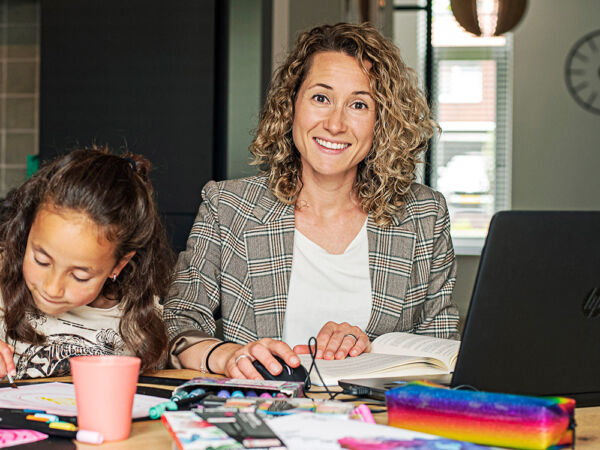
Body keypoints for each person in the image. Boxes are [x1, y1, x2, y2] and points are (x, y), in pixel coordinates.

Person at [164, 22, 459, 379]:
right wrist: (228, 356)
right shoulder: (227, 206)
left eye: (359, 104)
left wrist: (371, 345)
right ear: (291, 106)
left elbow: (444, 351)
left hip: (376, 427)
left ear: (382, 122)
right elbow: (176, 325)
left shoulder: (425, 215)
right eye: (321, 98)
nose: (335, 124)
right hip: (259, 420)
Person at [0, 148, 175, 379]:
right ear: (27, 231)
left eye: (80, 276)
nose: (52, 287)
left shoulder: (142, 320)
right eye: (41, 261)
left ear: (119, 265)